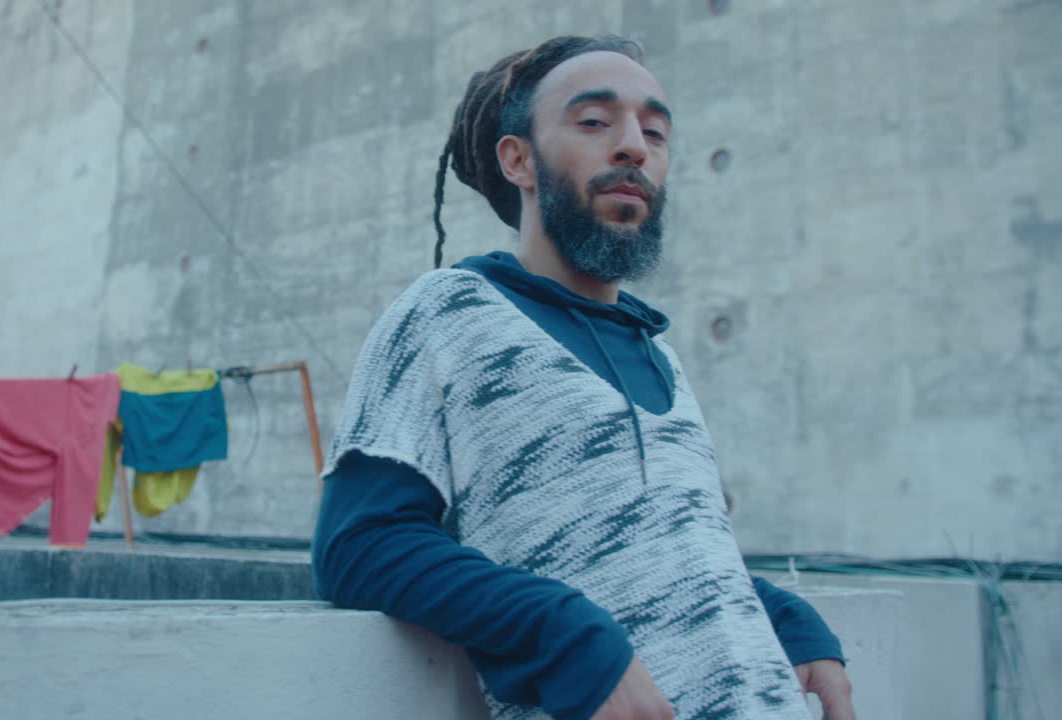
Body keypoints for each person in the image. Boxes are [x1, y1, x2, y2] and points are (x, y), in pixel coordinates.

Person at [313, 35, 854, 720]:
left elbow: (655, 551)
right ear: (519, 159)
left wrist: (780, 613)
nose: (634, 146)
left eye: (655, 131)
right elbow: (360, 544)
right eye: (595, 122)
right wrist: (566, 635)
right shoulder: (446, 313)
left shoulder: (659, 352)